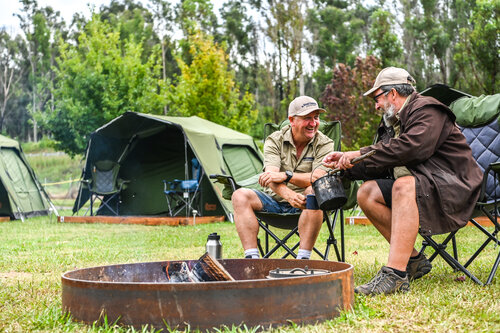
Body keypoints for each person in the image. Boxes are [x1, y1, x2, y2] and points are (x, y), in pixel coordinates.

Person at [323, 67, 483, 295]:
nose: (376, 106)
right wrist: (345, 167)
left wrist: (358, 153)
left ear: (393, 93)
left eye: (377, 98)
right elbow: (381, 159)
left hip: (455, 185)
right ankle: (414, 261)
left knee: (404, 184)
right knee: (367, 193)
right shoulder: (392, 122)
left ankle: (395, 276)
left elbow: (412, 149)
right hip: (426, 184)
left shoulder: (428, 109)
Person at [232, 96, 334, 260]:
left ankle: (303, 260)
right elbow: (270, 177)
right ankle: (252, 260)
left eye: (316, 117)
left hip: (308, 205)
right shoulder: (274, 140)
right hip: (274, 202)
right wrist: (289, 195)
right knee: (239, 195)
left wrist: (287, 176)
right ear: (292, 120)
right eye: (307, 118)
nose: (313, 123)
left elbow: (318, 177)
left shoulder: (325, 143)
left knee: (314, 190)